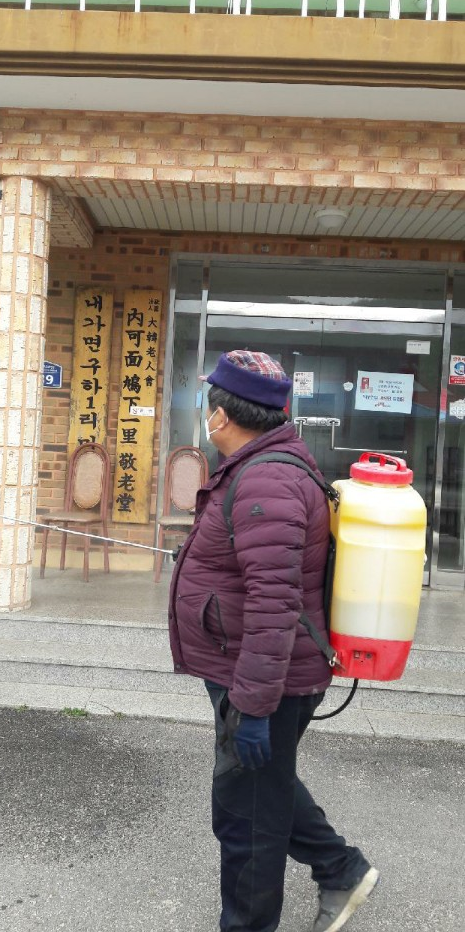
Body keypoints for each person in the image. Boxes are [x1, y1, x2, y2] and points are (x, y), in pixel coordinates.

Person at [168, 350, 379, 932]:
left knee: (246, 821)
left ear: (223, 414)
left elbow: (274, 601)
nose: (206, 412)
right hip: (250, 669)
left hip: (264, 679)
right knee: (262, 788)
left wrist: (255, 708)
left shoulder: (267, 478)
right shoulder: (259, 466)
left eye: (209, 402)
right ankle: (341, 869)